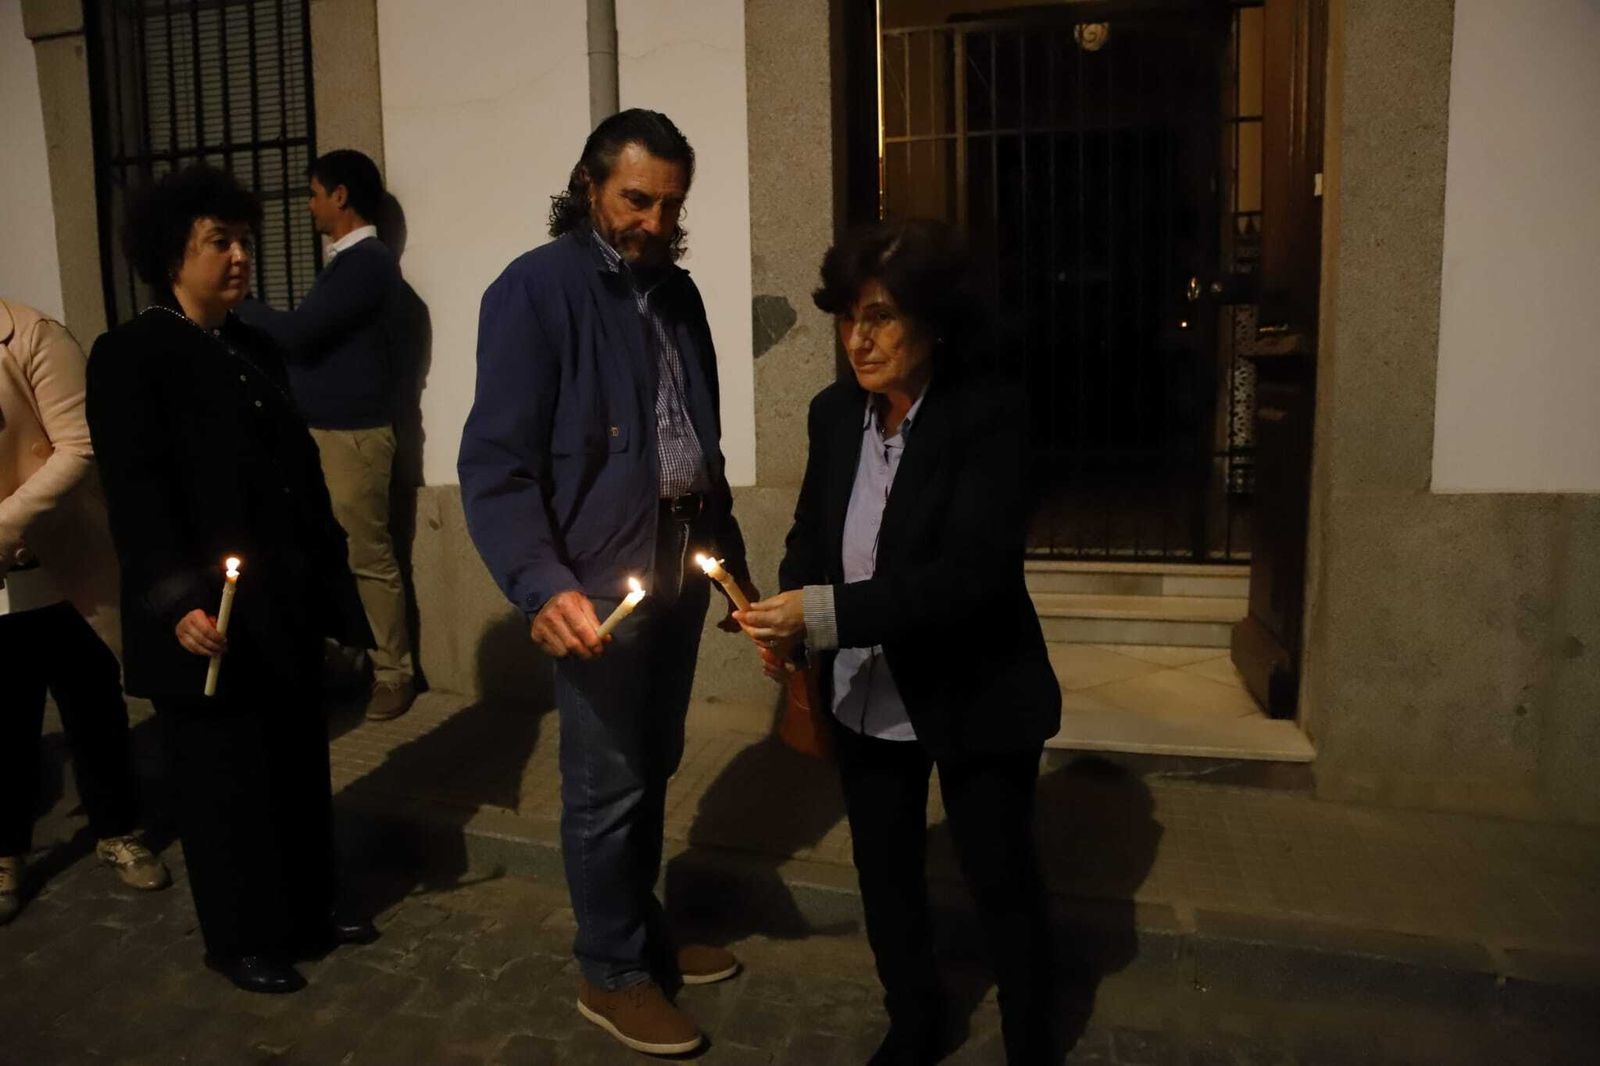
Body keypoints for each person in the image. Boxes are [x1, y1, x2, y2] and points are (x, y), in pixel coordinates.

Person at [459, 109, 756, 1057]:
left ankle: (642, 932)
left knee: (655, 762)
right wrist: (541, 585)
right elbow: (496, 464)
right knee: (605, 784)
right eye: (638, 199)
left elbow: (694, 446)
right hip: (593, 584)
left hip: (674, 562)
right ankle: (611, 969)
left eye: (672, 204)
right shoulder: (534, 292)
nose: (656, 222)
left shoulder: (680, 296)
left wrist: (732, 568)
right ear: (590, 186)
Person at [737, 220, 1062, 1065]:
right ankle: (915, 1020)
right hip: (863, 693)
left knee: (999, 874)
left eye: (881, 316)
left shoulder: (990, 416)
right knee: (886, 874)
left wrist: (823, 615)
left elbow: (968, 577)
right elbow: (813, 537)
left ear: (936, 321)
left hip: (973, 688)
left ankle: (1033, 1032)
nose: (860, 339)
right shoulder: (835, 413)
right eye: (848, 318)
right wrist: (790, 623)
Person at [85, 165, 377, 994]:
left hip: (275, 605)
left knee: (294, 765)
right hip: (204, 615)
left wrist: (326, 585)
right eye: (222, 242)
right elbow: (137, 494)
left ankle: (310, 908)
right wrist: (176, 599)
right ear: (173, 253)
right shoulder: (131, 353)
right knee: (225, 783)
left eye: (245, 239)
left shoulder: (250, 345)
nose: (242, 255)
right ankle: (241, 935)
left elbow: (295, 475)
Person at [1, 296, 170, 925]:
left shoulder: (32, 334)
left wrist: (3, 526)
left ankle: (118, 828)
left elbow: (79, 445)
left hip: (63, 564)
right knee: (4, 722)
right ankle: (6, 848)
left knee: (93, 707)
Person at [236, 149, 415, 722]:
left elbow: (301, 334)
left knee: (368, 556)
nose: (309, 204)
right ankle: (352, 662)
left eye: (314, 192)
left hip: (354, 435)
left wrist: (238, 303)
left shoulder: (366, 263)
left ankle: (395, 672)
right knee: (334, 554)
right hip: (332, 432)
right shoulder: (349, 264)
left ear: (340, 196)